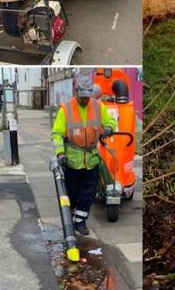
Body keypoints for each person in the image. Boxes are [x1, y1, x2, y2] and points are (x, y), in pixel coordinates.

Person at [51, 73, 117, 235]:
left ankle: (80, 221)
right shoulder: (66, 109)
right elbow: (57, 134)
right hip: (73, 161)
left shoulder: (97, 106)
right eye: (82, 97)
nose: (85, 100)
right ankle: (71, 216)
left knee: (88, 194)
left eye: (88, 97)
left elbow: (110, 120)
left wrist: (109, 127)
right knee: (72, 193)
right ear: (76, 91)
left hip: (92, 160)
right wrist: (60, 153)